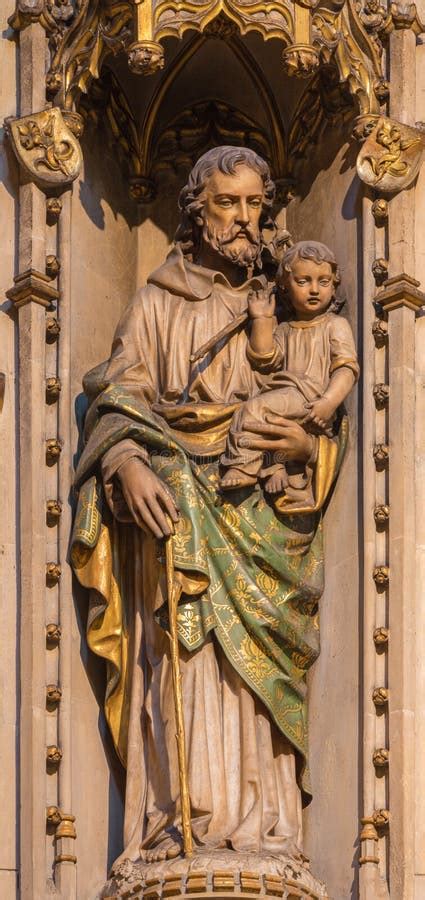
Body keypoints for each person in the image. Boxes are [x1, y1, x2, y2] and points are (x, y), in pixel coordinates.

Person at [71, 146, 349, 873]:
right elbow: (117, 397)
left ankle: (266, 830)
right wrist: (127, 463)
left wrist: (303, 448)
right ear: (197, 210)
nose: (243, 219)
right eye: (227, 203)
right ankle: (176, 824)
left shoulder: (286, 305)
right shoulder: (158, 300)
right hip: (178, 513)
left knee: (255, 686)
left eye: (255, 204)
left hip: (262, 523)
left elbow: (320, 415)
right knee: (183, 660)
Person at [220, 241, 359, 501]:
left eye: (324, 281)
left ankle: (241, 465)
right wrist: (262, 319)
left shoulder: (335, 325)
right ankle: (275, 467)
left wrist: (328, 403)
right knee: (270, 422)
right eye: (304, 281)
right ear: (285, 286)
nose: (315, 289)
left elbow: (347, 369)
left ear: (334, 284)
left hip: (310, 397)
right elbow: (265, 359)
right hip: (287, 395)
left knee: (252, 411)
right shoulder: (285, 329)